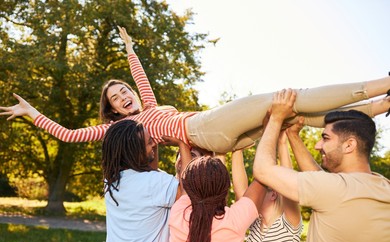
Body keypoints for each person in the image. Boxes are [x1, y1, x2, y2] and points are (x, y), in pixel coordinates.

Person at [1, 27, 390, 154]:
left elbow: (141, 80)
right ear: (115, 113)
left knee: (295, 116)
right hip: (202, 130)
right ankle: (385, 81)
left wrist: (131, 50)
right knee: (285, 96)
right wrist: (33, 113)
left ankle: (381, 105)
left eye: (124, 91)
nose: (124, 96)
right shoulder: (124, 129)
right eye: (116, 99)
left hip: (214, 138)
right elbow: (71, 135)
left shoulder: (148, 105)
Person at [253, 88, 390, 242]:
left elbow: (262, 169)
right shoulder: (382, 185)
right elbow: (322, 180)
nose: (318, 145)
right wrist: (292, 135)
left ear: (349, 145)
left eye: (325, 138)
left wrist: (276, 118)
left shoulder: (334, 190)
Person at [101, 119, 191, 242]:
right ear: (135, 152)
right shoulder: (153, 184)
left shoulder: (111, 180)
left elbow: (148, 173)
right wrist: (183, 145)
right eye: (149, 143)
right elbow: (187, 191)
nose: (154, 144)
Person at [169, 155, 267, 242]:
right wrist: (237, 149)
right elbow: (265, 172)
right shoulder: (235, 220)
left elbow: (190, 188)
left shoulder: (178, 212)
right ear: (226, 188)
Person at [231, 131, 303, 242]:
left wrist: (282, 143)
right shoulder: (255, 221)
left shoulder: (287, 223)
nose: (254, 193)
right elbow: (240, 192)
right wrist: (237, 151)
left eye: (260, 190)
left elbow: (289, 184)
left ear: (273, 194)